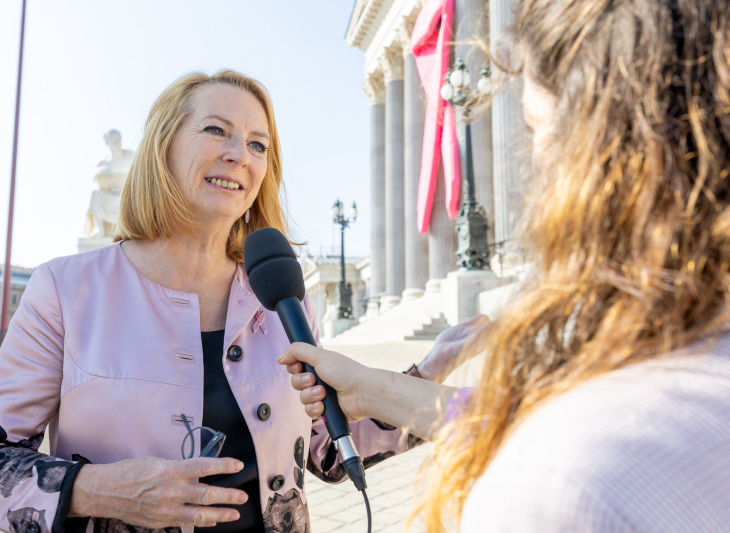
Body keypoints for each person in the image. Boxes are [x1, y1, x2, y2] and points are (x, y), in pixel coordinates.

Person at [0, 70, 464, 533]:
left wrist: (431, 370)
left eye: (259, 144)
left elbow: (329, 449)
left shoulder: (281, 296)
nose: (240, 154)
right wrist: (98, 489)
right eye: (217, 130)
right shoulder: (65, 288)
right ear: (163, 146)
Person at [281, 1, 730, 531]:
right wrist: (375, 389)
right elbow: (517, 420)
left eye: (534, 126)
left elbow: (561, 444)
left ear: (599, 151)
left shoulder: (560, 484)